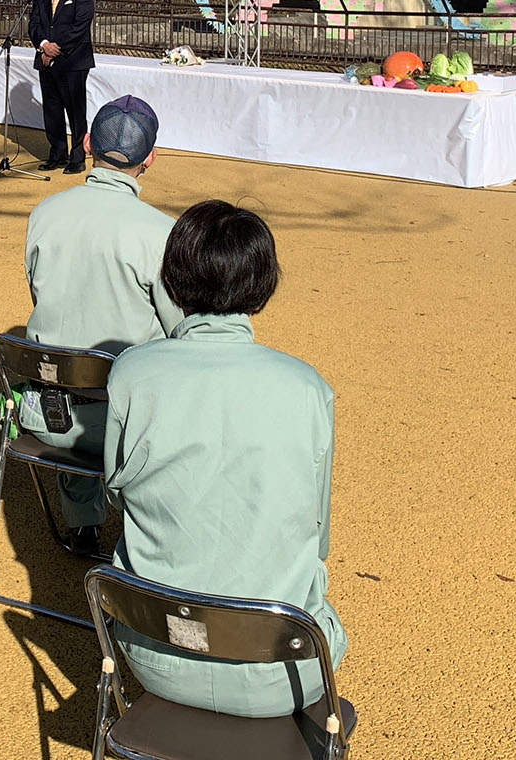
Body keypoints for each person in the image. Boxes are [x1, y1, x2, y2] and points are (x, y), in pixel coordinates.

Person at [105, 201, 347, 721]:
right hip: (282, 668)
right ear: (263, 284)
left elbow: (115, 490)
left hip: (151, 653)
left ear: (171, 279)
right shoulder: (307, 389)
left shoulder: (131, 374)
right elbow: (318, 531)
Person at [20, 95, 180, 553]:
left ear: (87, 142)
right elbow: (179, 330)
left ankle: (83, 521)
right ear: (150, 157)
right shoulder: (161, 232)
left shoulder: (44, 213)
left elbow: (41, 293)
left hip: (47, 413)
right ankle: (151, 537)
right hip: (126, 425)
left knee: (71, 351)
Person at [27, 0, 96, 173]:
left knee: (75, 111)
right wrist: (44, 45)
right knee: (52, 110)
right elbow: (34, 25)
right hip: (46, 60)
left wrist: (57, 49)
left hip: (73, 62)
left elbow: (80, 26)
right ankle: (57, 153)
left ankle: (77, 158)